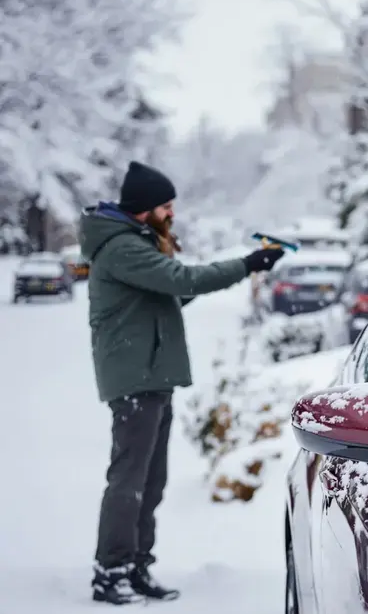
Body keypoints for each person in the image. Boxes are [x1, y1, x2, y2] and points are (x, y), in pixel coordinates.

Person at [79, 161, 286, 605]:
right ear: (144, 208)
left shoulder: (139, 243)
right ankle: (110, 571)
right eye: (166, 205)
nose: (172, 212)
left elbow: (176, 291)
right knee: (129, 480)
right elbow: (182, 279)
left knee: (151, 482)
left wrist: (240, 267)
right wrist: (247, 264)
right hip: (135, 378)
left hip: (153, 374)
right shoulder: (121, 248)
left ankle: (136, 566)